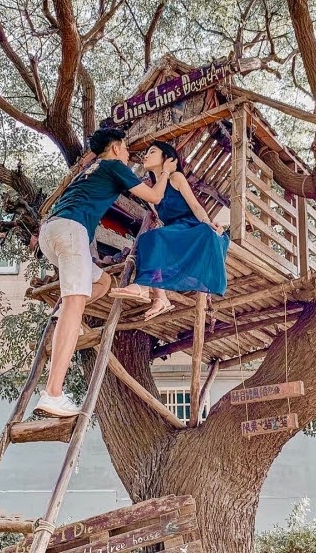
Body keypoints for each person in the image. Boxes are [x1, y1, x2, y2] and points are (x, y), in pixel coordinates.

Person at [34, 129, 177, 417]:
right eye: (126, 149)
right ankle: (52, 394)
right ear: (115, 148)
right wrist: (166, 172)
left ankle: (65, 316)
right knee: (74, 303)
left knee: (102, 282)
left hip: (51, 233)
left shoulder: (89, 170)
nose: (128, 154)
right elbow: (154, 196)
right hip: (71, 231)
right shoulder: (113, 165)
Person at [110, 140, 229, 320]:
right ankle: (161, 298)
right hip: (173, 231)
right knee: (150, 239)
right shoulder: (152, 192)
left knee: (154, 237)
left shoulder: (176, 178)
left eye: (152, 152)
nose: (146, 156)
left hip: (191, 228)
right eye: (146, 153)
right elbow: (161, 220)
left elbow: (195, 206)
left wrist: (208, 223)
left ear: (167, 158)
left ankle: (143, 286)